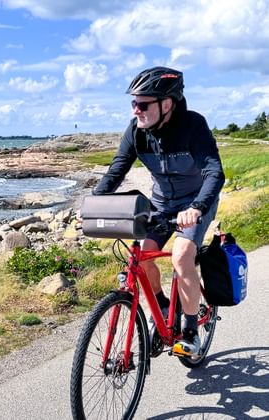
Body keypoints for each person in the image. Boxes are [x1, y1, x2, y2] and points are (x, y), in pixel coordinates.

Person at [93, 66, 225, 356]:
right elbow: (117, 169)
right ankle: (165, 308)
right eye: (133, 103)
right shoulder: (136, 132)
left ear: (166, 104)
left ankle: (191, 332)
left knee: (181, 256)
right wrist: (94, 202)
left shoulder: (193, 126)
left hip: (195, 203)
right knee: (142, 256)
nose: (135, 110)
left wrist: (197, 208)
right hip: (161, 205)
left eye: (142, 104)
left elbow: (214, 172)